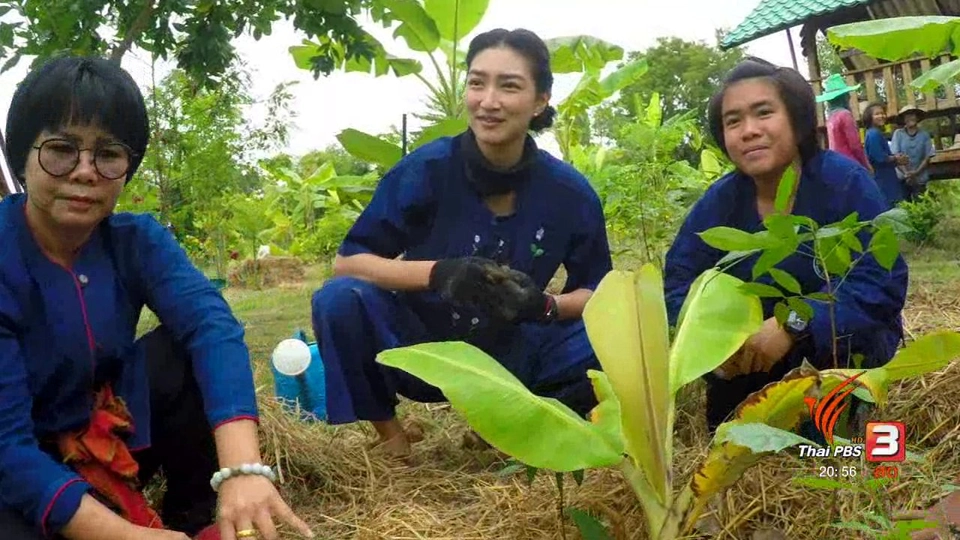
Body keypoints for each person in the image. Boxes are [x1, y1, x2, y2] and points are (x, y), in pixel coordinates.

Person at [0, 56, 313, 540]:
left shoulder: (134, 240)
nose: (85, 172)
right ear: (23, 154)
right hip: (24, 468)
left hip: (110, 439)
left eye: (108, 154)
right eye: (61, 149)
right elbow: (7, 447)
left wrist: (241, 468)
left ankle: (198, 516)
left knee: (186, 347)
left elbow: (213, 326)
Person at [310, 28, 612, 458]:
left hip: (514, 352)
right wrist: (438, 273)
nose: (488, 101)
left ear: (541, 100)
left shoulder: (570, 193)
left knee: (614, 339)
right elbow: (349, 262)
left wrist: (544, 306)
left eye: (509, 86)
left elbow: (598, 291)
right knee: (339, 300)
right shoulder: (426, 170)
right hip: (420, 348)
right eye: (476, 82)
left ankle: (505, 429)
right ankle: (394, 442)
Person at [662, 57, 909, 434]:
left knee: (821, 435)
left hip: (835, 347)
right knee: (731, 434)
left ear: (796, 119)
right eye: (733, 121)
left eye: (764, 113)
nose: (749, 131)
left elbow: (880, 280)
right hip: (749, 358)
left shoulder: (845, 185)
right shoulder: (720, 202)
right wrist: (715, 344)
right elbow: (680, 278)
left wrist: (794, 323)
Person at [816, 73, 871, 171]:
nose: (849, 97)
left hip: (837, 164)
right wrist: (866, 165)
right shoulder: (845, 115)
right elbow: (855, 146)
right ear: (843, 97)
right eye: (847, 95)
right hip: (850, 164)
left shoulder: (830, 118)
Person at [862, 102, 909, 207]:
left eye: (883, 113)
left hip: (886, 176)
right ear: (869, 117)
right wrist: (896, 158)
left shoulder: (873, 133)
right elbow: (879, 158)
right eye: (877, 114)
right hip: (883, 179)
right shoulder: (874, 134)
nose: (881, 116)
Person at [891, 105, 936, 200]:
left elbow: (927, 157)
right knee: (904, 207)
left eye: (912, 115)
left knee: (921, 206)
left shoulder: (924, 135)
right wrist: (906, 174)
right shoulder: (898, 134)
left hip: (919, 178)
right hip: (902, 177)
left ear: (917, 117)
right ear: (903, 119)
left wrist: (915, 173)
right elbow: (895, 155)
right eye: (907, 116)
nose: (910, 118)